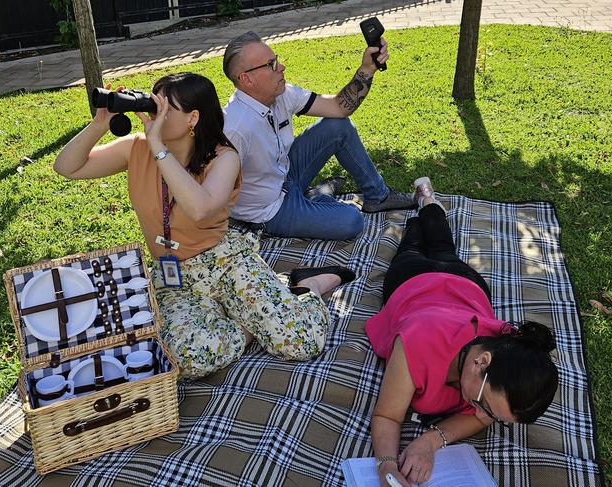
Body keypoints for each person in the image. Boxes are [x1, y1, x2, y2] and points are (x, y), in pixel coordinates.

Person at [53, 72, 355, 380]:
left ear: (192, 118)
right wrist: (99, 124)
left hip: (224, 262)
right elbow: (67, 167)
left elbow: (199, 209)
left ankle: (307, 285)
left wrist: (158, 147)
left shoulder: (223, 157)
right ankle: (247, 319)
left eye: (164, 109)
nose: (154, 116)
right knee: (183, 359)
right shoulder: (137, 148)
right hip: (174, 276)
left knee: (301, 342)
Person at [364, 177, 559, 487]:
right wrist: (386, 465)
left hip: (466, 288)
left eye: (494, 416)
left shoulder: (510, 352)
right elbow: (387, 416)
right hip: (414, 283)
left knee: (444, 248)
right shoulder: (416, 346)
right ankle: (424, 203)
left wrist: (431, 440)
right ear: (481, 361)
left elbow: (482, 416)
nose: (482, 414)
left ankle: (427, 204)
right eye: (483, 404)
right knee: (414, 246)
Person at [221, 31, 415, 241]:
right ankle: (316, 198)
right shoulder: (234, 127)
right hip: (268, 209)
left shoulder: (282, 93)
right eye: (271, 64)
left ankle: (378, 196)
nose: (281, 67)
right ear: (246, 79)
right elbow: (214, 192)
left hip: (285, 176)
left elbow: (338, 108)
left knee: (338, 126)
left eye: (276, 60)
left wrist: (367, 69)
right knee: (351, 221)